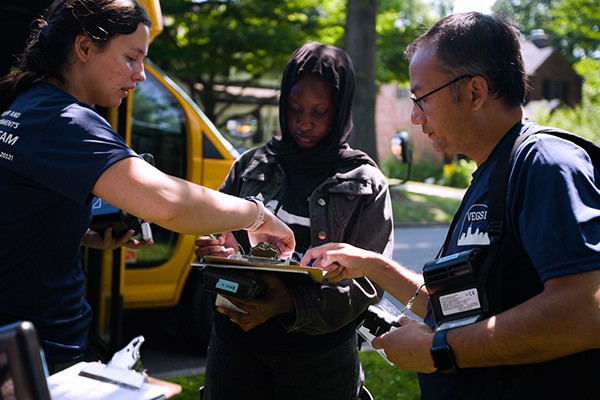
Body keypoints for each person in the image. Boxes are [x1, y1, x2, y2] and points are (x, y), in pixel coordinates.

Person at [302, 12, 600, 400]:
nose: (413, 115)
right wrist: (371, 265)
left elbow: (584, 312)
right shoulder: (495, 170)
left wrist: (439, 352)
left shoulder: (545, 163)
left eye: (421, 98)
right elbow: (465, 308)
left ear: (475, 92)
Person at [0, 0, 294, 373]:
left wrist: (79, 234)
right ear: (85, 48)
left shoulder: (27, 104)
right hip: (36, 349)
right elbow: (172, 204)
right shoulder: (68, 122)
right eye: (131, 58)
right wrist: (258, 215)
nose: (140, 75)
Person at [194, 41, 394, 400]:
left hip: (318, 362)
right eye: (294, 109)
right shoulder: (250, 166)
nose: (304, 123)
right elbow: (219, 236)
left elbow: (369, 282)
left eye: (319, 112)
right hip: (235, 350)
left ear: (341, 110)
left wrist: (289, 304)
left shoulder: (365, 181)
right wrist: (219, 252)